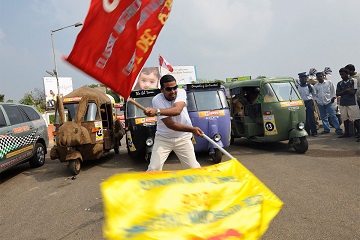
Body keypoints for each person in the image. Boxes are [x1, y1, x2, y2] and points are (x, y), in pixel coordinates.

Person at [143, 74, 203, 171]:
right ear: (161, 90)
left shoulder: (181, 92)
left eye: (175, 87)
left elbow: (177, 110)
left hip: (183, 138)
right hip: (163, 139)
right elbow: (170, 124)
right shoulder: (157, 99)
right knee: (154, 169)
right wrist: (192, 129)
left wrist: (157, 111)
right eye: (168, 89)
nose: (173, 91)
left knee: (193, 169)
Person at [336, 67, 360, 139]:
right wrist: (346, 90)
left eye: (343, 74)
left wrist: (343, 91)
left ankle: (359, 133)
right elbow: (338, 93)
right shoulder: (339, 83)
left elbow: (353, 92)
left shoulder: (353, 81)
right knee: (345, 118)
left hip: (352, 102)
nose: (341, 76)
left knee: (356, 118)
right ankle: (347, 133)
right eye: (340, 75)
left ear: (347, 74)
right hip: (343, 103)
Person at [297, 72, 318, 136]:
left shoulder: (310, 86)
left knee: (311, 117)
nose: (303, 79)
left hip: (309, 102)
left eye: (305, 78)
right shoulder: (297, 87)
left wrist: (314, 102)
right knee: (304, 118)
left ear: (306, 79)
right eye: (302, 78)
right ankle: (307, 132)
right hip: (301, 103)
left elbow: (314, 94)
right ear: (300, 79)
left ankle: (314, 132)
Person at [345, 64, 360, 140]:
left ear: (351, 70)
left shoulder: (359, 76)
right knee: (356, 117)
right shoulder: (349, 79)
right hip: (354, 100)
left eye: (347, 71)